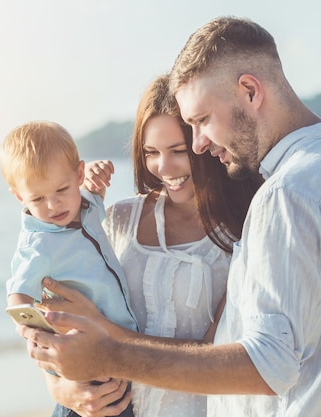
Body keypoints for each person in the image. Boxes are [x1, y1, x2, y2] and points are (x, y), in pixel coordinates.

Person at [22, 16, 321, 417]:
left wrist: (111, 353)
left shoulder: (288, 194)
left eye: (200, 121)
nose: (199, 143)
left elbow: (267, 365)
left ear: (250, 91)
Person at [37, 74, 261, 417]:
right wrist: (62, 389)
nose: (164, 167)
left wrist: (107, 337)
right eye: (151, 152)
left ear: (204, 144)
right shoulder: (120, 219)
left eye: (178, 151)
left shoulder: (243, 231)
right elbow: (57, 320)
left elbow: (219, 354)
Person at [0, 120, 138, 417]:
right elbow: (17, 294)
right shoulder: (39, 246)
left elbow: (92, 197)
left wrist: (96, 181)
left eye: (61, 189)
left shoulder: (84, 207)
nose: (53, 205)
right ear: (19, 197)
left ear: (77, 174)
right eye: (37, 198)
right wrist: (33, 329)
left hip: (117, 351)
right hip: (86, 362)